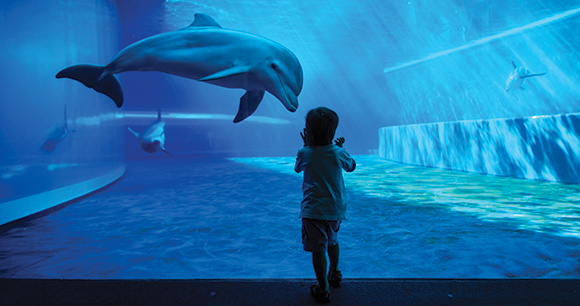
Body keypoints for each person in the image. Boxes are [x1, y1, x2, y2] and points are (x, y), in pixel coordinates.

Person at [294, 107, 356, 303]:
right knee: (332, 241)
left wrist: (306, 145)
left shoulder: (304, 153)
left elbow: (297, 169)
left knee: (318, 249)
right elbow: (352, 166)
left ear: (308, 131)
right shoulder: (338, 152)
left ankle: (323, 289)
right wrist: (343, 149)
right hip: (335, 210)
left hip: (312, 211)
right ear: (333, 131)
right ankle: (335, 272)